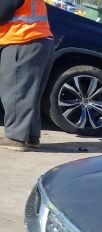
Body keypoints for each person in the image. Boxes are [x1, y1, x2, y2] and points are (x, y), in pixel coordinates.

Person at [0, 0, 54, 151]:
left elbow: (2, 13)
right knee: (29, 93)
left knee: (16, 91)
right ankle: (31, 136)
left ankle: (15, 137)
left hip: (22, 40)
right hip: (40, 40)